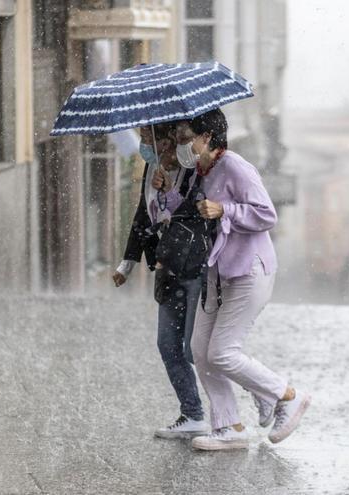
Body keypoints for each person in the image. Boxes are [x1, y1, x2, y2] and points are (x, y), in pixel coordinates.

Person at [175, 108, 311, 451]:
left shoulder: (234, 165)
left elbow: (267, 213)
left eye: (186, 137)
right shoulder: (198, 173)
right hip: (217, 274)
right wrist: (166, 187)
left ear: (207, 138)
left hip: (250, 270)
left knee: (222, 352)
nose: (181, 144)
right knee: (200, 352)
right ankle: (229, 426)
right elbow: (179, 211)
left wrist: (226, 210)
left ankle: (286, 395)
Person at [112, 122, 209, 439]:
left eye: (148, 138)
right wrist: (127, 264)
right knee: (168, 344)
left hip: (195, 267)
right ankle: (192, 413)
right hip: (167, 266)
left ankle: (241, 406)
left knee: (198, 349)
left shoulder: (197, 170)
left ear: (168, 141)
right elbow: (143, 215)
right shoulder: (151, 169)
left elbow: (201, 215)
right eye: (142, 139)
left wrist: (171, 191)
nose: (145, 145)